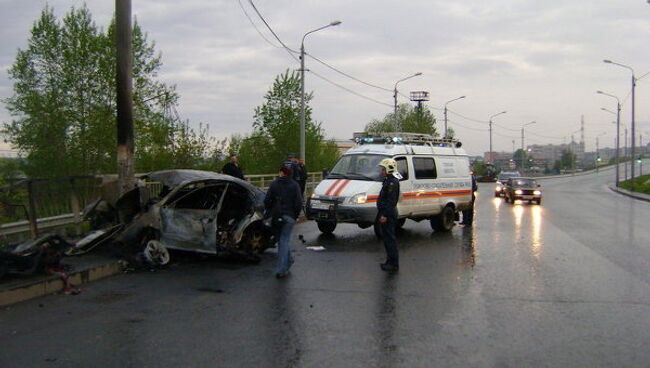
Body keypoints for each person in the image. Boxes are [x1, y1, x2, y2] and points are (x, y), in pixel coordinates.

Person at [264, 164, 303, 278]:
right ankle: (288, 261)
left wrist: (269, 211)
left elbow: (267, 201)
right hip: (289, 217)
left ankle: (281, 269)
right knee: (284, 240)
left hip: (276, 217)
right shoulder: (295, 185)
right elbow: (299, 203)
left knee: (282, 241)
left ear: (281, 172)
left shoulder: (274, 184)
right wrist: (294, 216)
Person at [377, 158, 401, 272]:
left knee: (390, 239)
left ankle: (394, 264)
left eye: (383, 169)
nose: (381, 171)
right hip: (385, 213)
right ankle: (389, 261)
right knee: (386, 239)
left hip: (388, 214)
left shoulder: (392, 182)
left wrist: (384, 215)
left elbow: (391, 201)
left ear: (388, 169)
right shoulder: (388, 180)